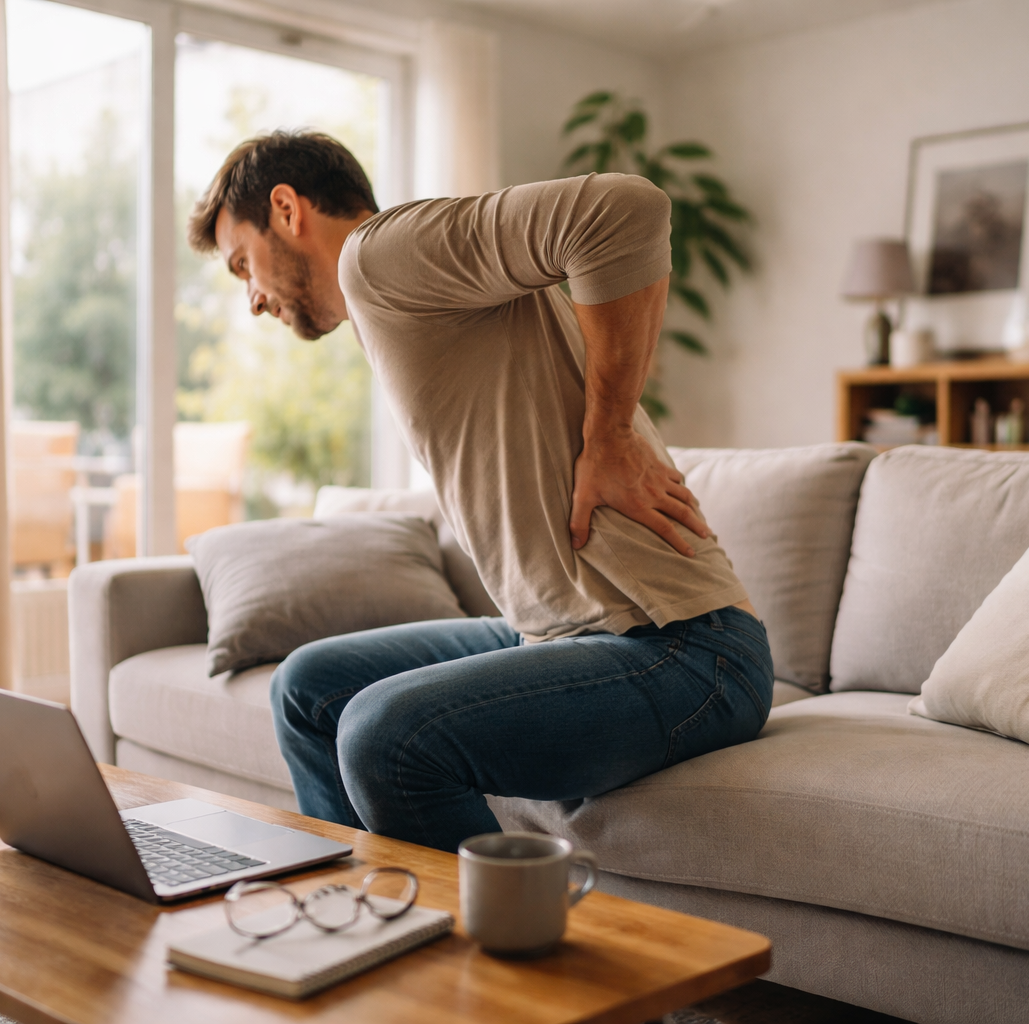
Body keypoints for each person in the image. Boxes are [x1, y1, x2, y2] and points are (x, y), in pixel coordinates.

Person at [187, 130, 773, 853]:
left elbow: (627, 208)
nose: (251, 299)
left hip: (687, 649)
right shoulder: (393, 300)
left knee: (383, 735)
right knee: (307, 688)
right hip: (561, 633)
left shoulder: (379, 255)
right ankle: (353, 922)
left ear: (286, 208)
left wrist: (611, 433)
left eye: (243, 263)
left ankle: (502, 955)